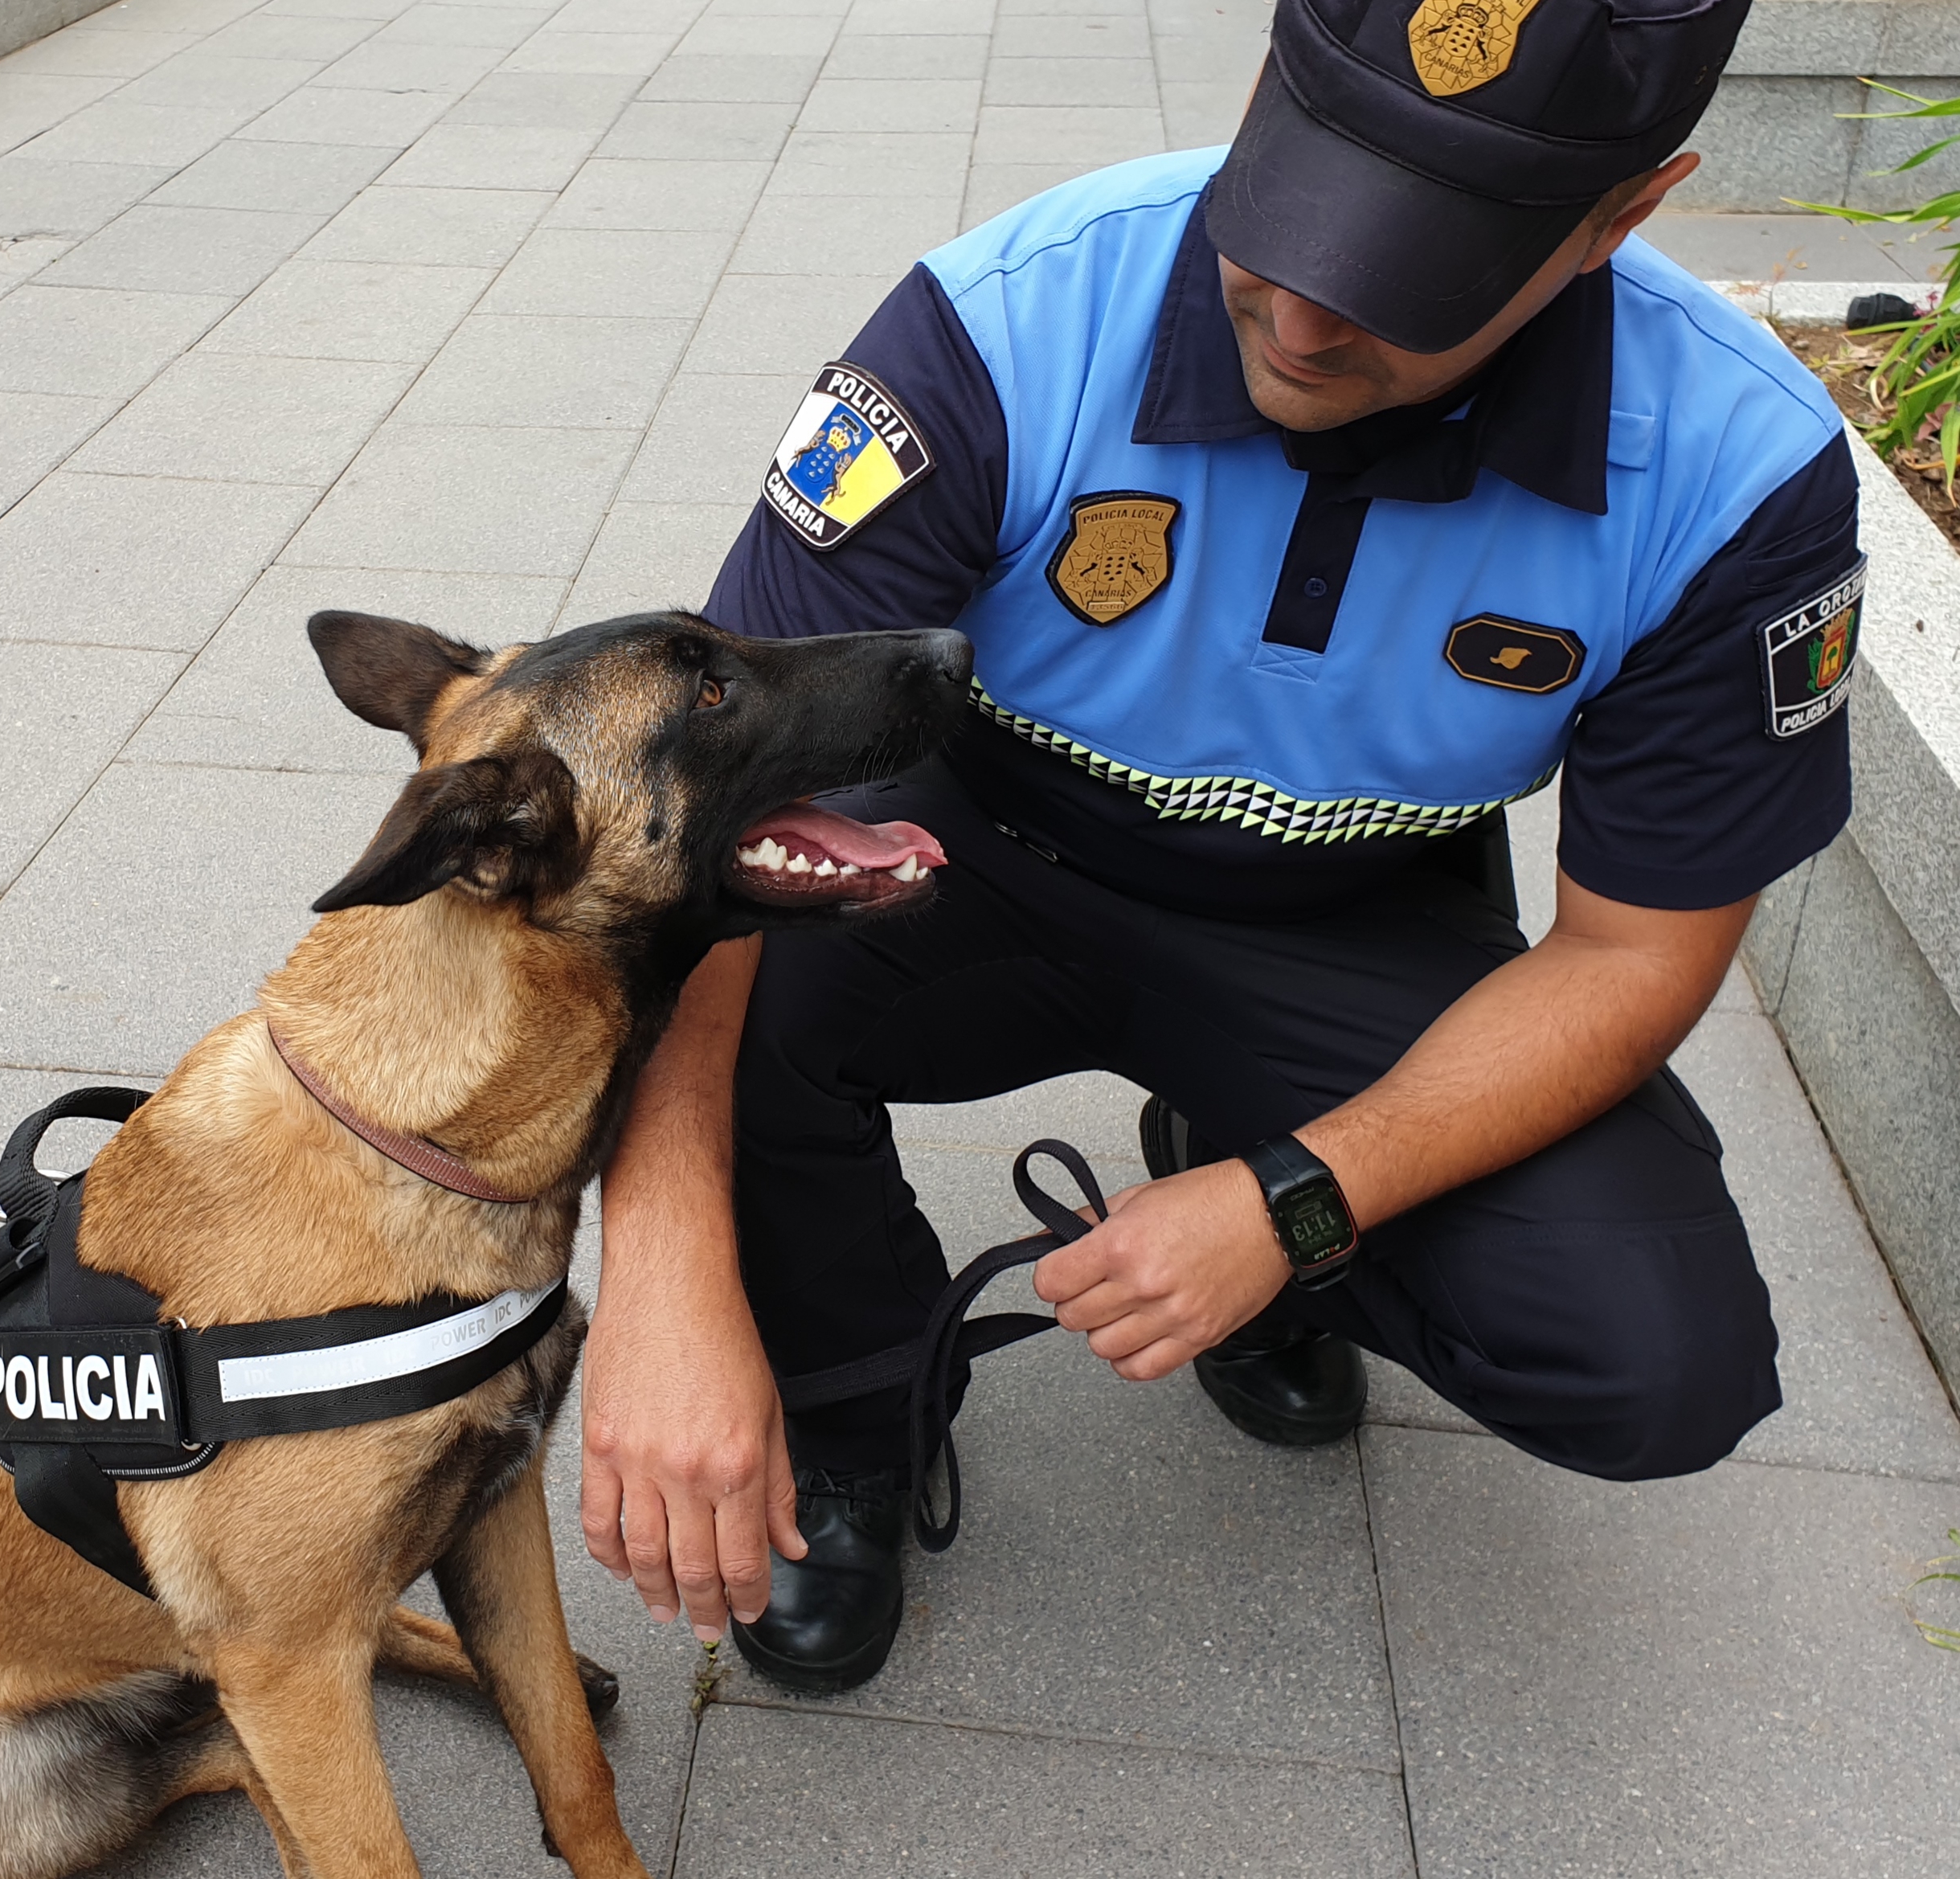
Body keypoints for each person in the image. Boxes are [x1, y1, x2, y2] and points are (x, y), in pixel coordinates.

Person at [580, 0, 1867, 1693]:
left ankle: (1255, 1184)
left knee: (1649, 1352)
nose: (1308, 319)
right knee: (711, 1006)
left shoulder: (1733, 472)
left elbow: (1631, 955)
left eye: (1414, 272)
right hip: (971, 845)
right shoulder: (1002, 329)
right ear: (1266, 79)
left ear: (1616, 216)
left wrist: (1295, 1200)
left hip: (1342, 912)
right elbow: (699, 823)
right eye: (1294, 209)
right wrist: (663, 1285)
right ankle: (847, 1404)